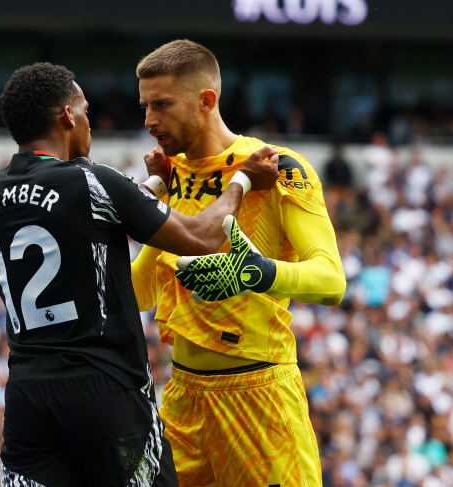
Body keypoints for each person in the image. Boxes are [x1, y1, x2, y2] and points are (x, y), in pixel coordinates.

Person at [0, 62, 279, 486]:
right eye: (84, 110)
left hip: (28, 396)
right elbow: (203, 236)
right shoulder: (91, 179)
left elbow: (85, 221)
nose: (89, 124)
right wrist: (242, 180)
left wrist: (154, 183)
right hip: (104, 390)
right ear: (67, 116)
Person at [131, 40, 346, 486]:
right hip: (182, 400)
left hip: (259, 398)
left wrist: (259, 273)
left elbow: (331, 280)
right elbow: (141, 293)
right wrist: (146, 213)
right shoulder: (172, 174)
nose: (149, 120)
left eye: (162, 104)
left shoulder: (276, 167)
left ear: (206, 100)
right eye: (145, 106)